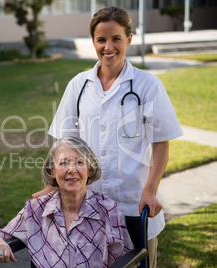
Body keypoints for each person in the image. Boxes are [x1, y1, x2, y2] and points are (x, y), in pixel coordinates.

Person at [33, 6, 183, 268]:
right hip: (87, 207)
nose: (108, 47)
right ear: (93, 41)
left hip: (134, 205)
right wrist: (52, 188)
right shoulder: (78, 86)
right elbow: (65, 147)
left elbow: (161, 143)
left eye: (116, 38)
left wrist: (150, 189)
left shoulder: (148, 86)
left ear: (129, 39)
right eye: (101, 39)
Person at [0, 136, 134, 267]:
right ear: (52, 171)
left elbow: (128, 262)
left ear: (90, 170)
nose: (72, 169)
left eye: (79, 162)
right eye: (63, 163)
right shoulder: (35, 209)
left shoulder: (109, 211)